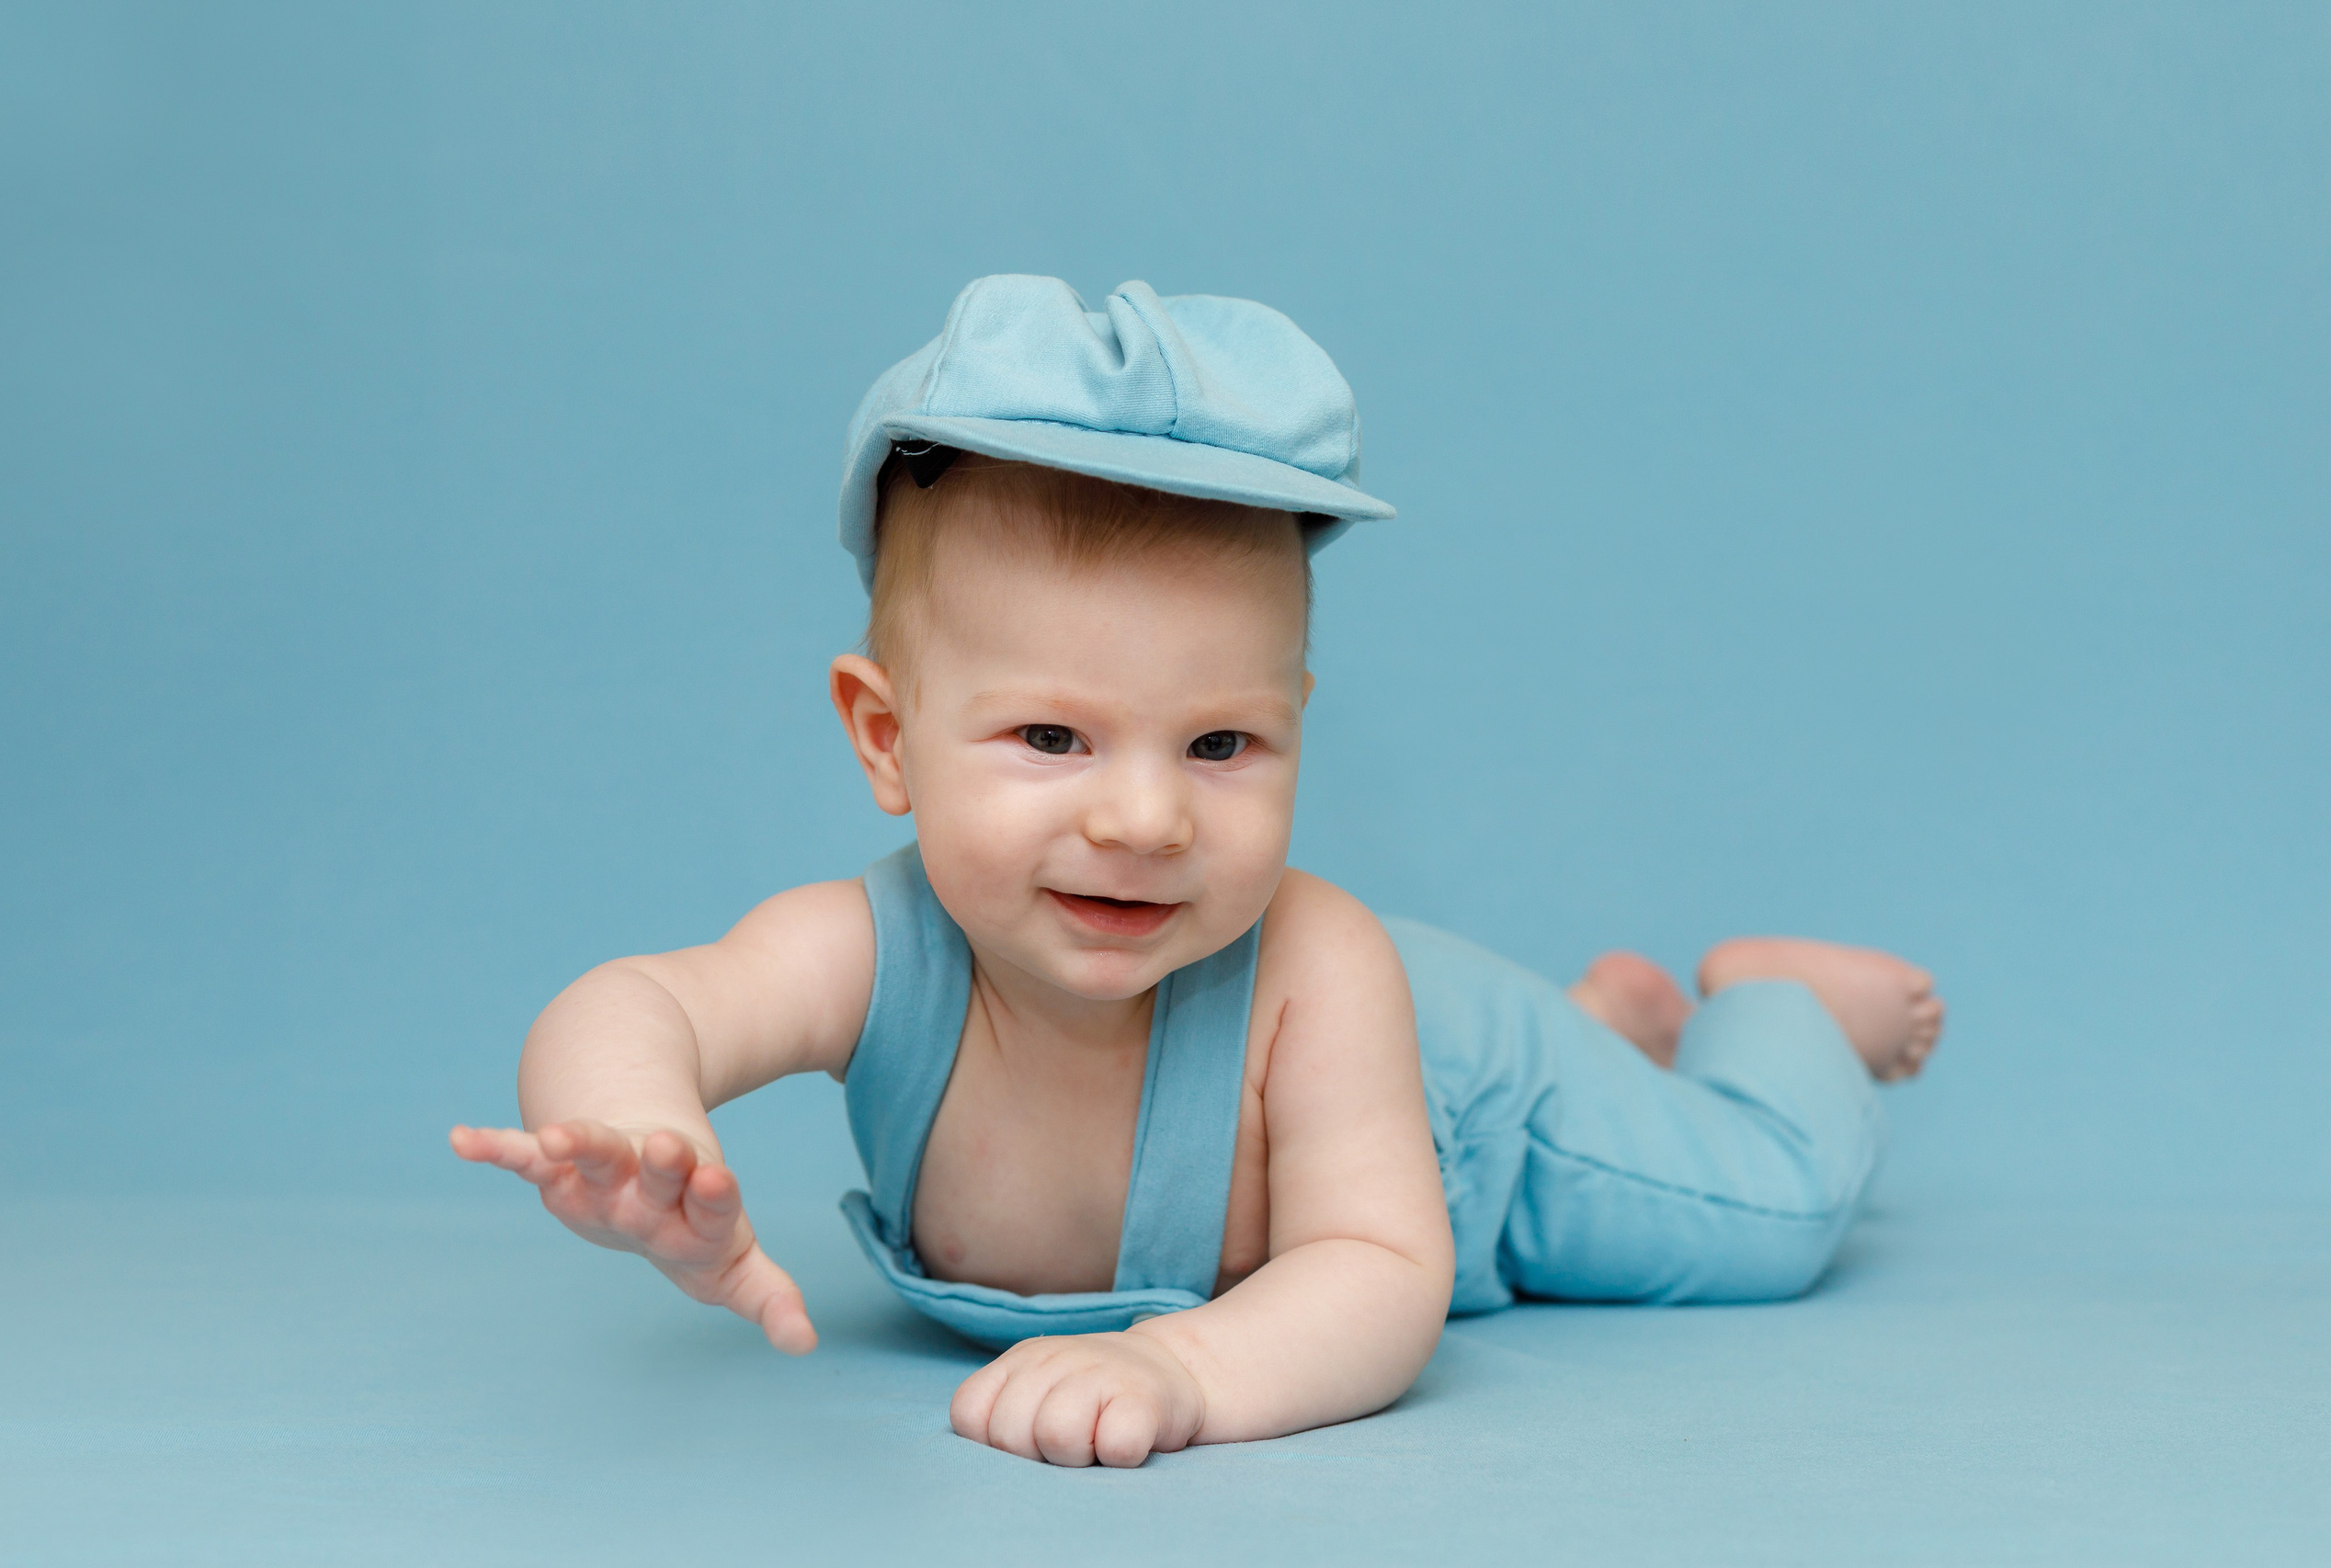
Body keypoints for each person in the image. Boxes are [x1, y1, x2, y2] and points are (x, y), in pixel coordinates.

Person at [450, 276, 1944, 1469]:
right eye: (1053, 734)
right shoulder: (869, 952)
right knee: (1628, 1097)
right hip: (1405, 1079)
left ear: (1295, 724)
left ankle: (1777, 1010)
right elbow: (651, 999)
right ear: (887, 736)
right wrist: (631, 1132)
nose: (1149, 819)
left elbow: (1377, 1266)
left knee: (1775, 1213)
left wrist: (1186, 1363)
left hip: (1488, 1127)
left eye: (1221, 743)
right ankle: (1614, 1014)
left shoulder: (1316, 965)